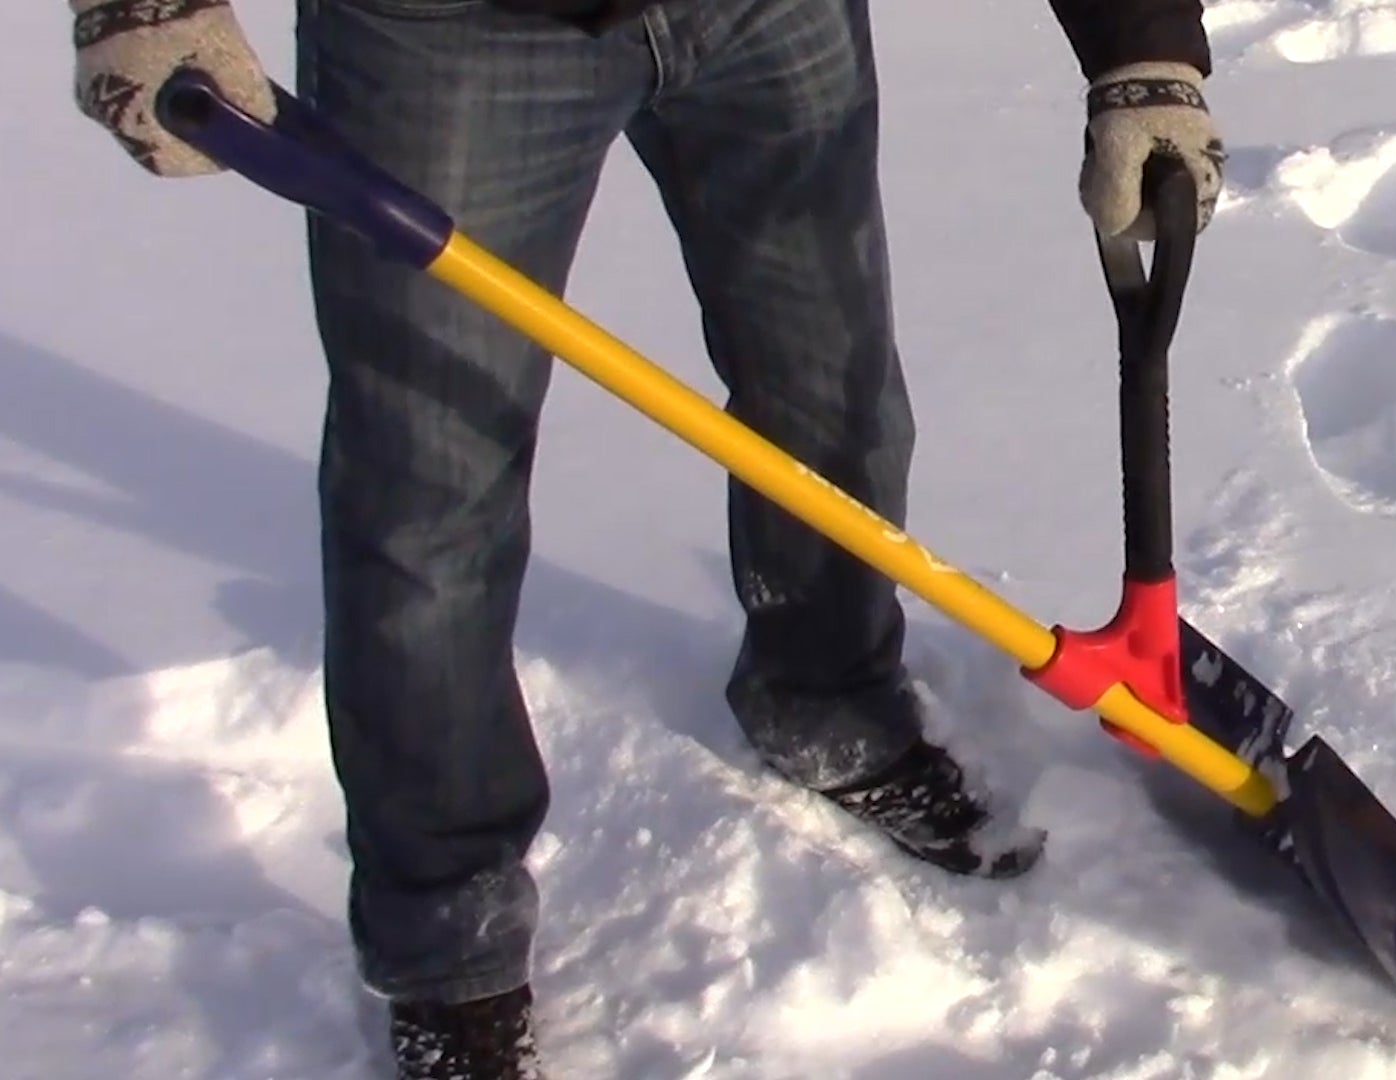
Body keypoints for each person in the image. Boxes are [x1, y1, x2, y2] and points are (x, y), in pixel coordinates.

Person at [67, 0, 1225, 1075]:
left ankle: (827, 703)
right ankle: (445, 934)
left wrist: (1142, 47)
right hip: (449, 33)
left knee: (835, 402)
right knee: (429, 484)